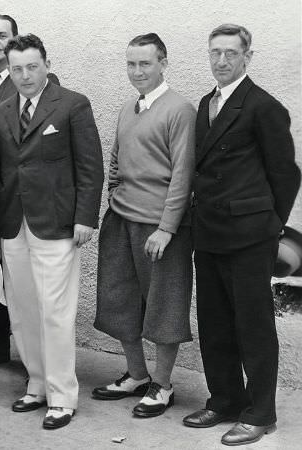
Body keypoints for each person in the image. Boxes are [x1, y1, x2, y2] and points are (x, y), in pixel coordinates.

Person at [182, 24, 300, 446]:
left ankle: (260, 412)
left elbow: (286, 174)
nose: (222, 61)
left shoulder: (264, 107)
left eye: (231, 53)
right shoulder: (205, 103)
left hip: (250, 236)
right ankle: (225, 399)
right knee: (214, 323)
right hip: (209, 233)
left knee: (253, 327)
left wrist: (270, 229)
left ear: (247, 58)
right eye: (215, 52)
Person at [0, 34, 103, 429]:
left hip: (57, 224)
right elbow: (4, 170)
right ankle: (36, 384)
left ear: (46, 64)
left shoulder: (72, 104)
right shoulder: (2, 109)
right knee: (22, 310)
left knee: (55, 312)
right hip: (13, 223)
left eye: (32, 67)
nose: (24, 75)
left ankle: (62, 397)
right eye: (17, 68)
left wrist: (85, 217)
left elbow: (90, 167)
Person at [91, 33, 195, 418]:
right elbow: (115, 161)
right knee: (119, 301)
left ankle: (163, 385)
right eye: (131, 64)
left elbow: (183, 176)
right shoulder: (127, 107)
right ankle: (136, 373)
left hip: (160, 228)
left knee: (164, 307)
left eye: (145, 63)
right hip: (122, 220)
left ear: (163, 63)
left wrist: (166, 228)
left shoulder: (180, 109)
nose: (137, 72)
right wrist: (114, 201)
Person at [0, 13, 60, 371]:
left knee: (22, 280)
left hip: (19, 195)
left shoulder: (33, 84)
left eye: (2, 35)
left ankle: (32, 359)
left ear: (15, 40)